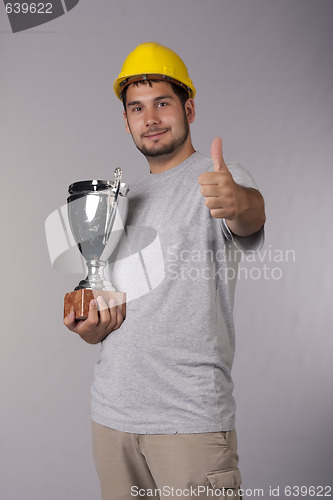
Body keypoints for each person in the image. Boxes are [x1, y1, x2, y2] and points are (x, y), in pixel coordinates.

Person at [64, 42, 265, 500]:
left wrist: (239, 202)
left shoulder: (220, 178)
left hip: (189, 422)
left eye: (162, 103)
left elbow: (250, 215)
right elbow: (114, 309)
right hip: (112, 418)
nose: (150, 118)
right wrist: (92, 327)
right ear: (127, 120)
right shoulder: (121, 200)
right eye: (137, 108)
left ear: (188, 108)